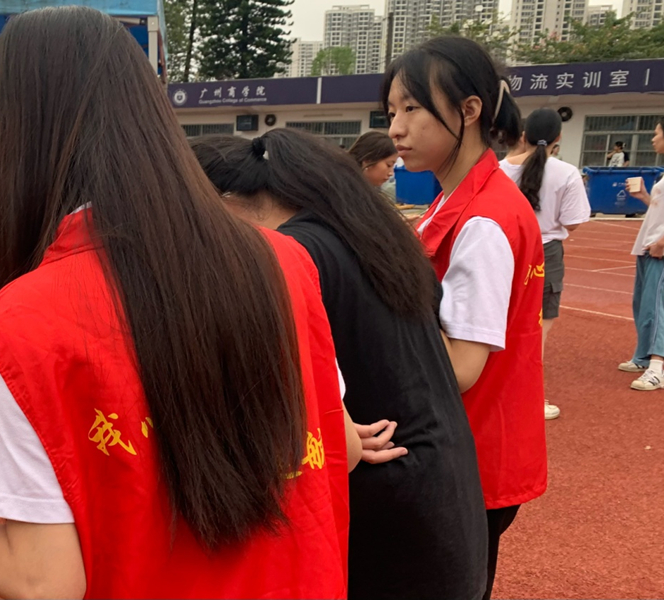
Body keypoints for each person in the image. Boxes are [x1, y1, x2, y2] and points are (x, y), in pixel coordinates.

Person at [0, 7, 363, 598]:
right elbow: (340, 449)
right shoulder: (286, 262)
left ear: (20, 133)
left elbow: (45, 583)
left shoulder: (18, 329)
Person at [192, 129, 488, 600]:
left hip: (384, 509)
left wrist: (340, 426)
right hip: (445, 491)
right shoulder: (364, 233)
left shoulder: (291, 254)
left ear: (224, 201)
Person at [383, 36, 547, 600]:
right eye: (391, 112)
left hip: (469, 452)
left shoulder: (483, 221)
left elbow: (460, 369)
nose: (396, 128)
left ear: (469, 110)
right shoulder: (461, 204)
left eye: (411, 108)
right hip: (470, 447)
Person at [500, 108, 591, 419]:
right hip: (544, 254)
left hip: (505, 250)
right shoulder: (566, 173)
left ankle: (499, 394)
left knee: (500, 324)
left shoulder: (499, 170)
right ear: (558, 138)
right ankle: (529, 399)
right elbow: (573, 222)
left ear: (523, 136)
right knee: (537, 331)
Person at [621, 120, 664, 390]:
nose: (653, 138)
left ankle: (657, 367)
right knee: (644, 304)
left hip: (659, 248)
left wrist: (662, 242)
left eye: (657, 133)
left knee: (657, 306)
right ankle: (643, 356)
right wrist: (646, 197)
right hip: (648, 245)